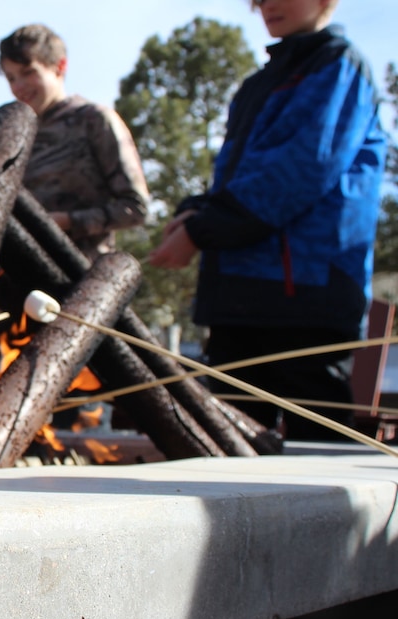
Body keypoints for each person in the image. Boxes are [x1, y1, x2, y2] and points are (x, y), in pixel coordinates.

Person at [148, 0, 386, 442]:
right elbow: (243, 172)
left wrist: (202, 231)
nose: (269, 4)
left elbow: (302, 169)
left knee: (315, 441)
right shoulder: (259, 82)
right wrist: (196, 209)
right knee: (232, 438)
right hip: (238, 291)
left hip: (307, 293)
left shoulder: (339, 65)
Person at [0, 24, 148, 261]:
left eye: (28, 72)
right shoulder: (16, 136)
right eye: (11, 78)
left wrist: (67, 222)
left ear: (60, 66)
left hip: (85, 276)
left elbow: (135, 209)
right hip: (26, 277)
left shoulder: (93, 119)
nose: (19, 87)